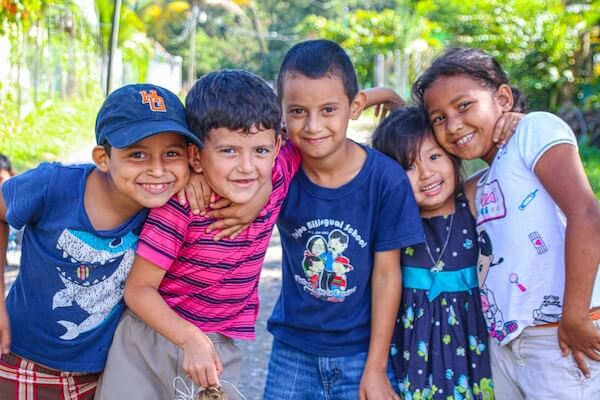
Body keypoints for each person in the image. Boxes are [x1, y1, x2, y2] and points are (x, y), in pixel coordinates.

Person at [94, 69, 301, 400]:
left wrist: (385, 96)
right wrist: (189, 338)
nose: (247, 167)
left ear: (276, 146)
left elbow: (314, 127)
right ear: (195, 156)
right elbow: (139, 290)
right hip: (148, 342)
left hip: (218, 348)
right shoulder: (182, 205)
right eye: (228, 151)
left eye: (260, 151)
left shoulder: (276, 174)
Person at [413, 47, 600, 399]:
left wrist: (574, 317)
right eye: (438, 117)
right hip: (506, 345)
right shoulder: (479, 184)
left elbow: (587, 215)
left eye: (464, 105)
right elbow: (407, 147)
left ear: (502, 97)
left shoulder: (534, 130)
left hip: (558, 335)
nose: (453, 125)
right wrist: (384, 97)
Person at [0, 83, 204, 399]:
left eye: (172, 153)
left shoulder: (173, 205)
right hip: (19, 360)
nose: (157, 170)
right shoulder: (53, 185)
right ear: (103, 158)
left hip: (105, 372)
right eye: (137, 154)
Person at [263, 39, 425, 400]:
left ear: (354, 108)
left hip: (362, 352)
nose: (313, 125)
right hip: (292, 350)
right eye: (298, 111)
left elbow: (387, 274)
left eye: (328, 110)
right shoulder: (277, 172)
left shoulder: (386, 179)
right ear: (281, 112)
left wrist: (376, 367)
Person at [372, 106, 495, 399]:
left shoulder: (474, 198)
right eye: (409, 167)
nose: (426, 173)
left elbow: (513, 156)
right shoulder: (394, 221)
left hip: (472, 348)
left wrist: (512, 120)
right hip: (413, 352)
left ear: (453, 156)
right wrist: (380, 96)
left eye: (435, 156)